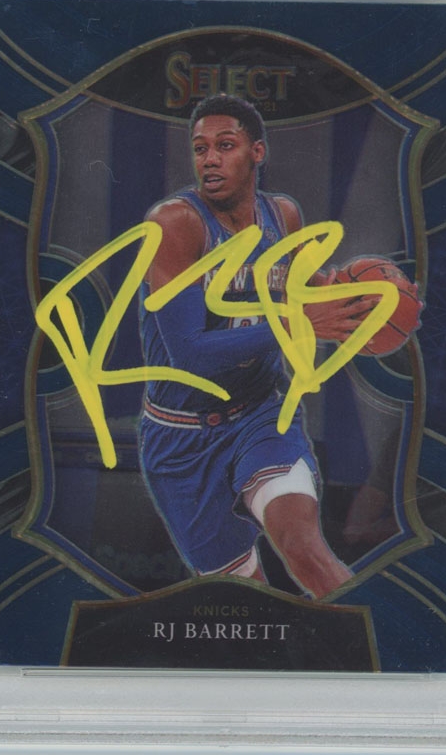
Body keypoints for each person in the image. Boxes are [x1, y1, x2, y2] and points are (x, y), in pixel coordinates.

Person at [137, 94, 371, 598]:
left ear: (257, 152)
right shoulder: (175, 223)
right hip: (179, 436)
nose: (210, 159)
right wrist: (296, 323)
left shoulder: (282, 216)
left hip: (259, 416)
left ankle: (377, 636)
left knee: (303, 546)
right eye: (200, 148)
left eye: (225, 146)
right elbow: (189, 356)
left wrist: (365, 306)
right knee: (245, 597)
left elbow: (308, 303)